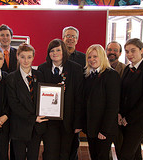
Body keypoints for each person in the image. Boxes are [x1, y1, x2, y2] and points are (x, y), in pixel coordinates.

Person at [38, 39, 83, 160]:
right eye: (52, 50)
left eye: (58, 50)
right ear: (48, 53)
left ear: (64, 51)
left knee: (66, 153)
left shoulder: (76, 69)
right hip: (49, 120)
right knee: (50, 153)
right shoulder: (42, 69)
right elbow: (39, 95)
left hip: (69, 120)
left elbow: (79, 97)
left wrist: (78, 122)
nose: (55, 53)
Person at [6, 43, 48, 160]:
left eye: (29, 57)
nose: (26, 60)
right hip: (19, 126)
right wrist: (33, 117)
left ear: (33, 57)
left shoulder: (39, 75)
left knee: (33, 156)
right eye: (23, 57)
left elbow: (44, 98)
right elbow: (14, 104)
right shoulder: (11, 78)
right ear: (17, 57)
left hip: (36, 127)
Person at [119, 38, 143, 160]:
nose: (129, 54)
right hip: (125, 120)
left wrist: (129, 118)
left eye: (133, 51)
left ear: (142, 50)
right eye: (127, 51)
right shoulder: (127, 69)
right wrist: (120, 113)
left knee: (125, 154)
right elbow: (122, 93)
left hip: (139, 120)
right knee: (135, 153)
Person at [83, 44, 120, 160]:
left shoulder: (111, 75)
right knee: (94, 156)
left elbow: (113, 106)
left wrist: (104, 130)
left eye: (95, 56)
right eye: (89, 57)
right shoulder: (88, 75)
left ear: (102, 57)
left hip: (104, 128)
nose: (92, 60)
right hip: (91, 127)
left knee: (102, 157)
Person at [62, 26, 86, 160]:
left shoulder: (83, 58)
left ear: (77, 40)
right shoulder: (57, 55)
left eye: (73, 36)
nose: (70, 39)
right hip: (58, 106)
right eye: (68, 36)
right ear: (63, 38)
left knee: (73, 142)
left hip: (75, 105)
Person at [106, 41, 126, 159]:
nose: (112, 52)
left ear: (120, 53)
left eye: (115, 50)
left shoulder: (125, 69)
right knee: (104, 148)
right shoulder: (102, 68)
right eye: (109, 50)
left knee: (121, 148)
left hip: (119, 116)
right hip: (105, 116)